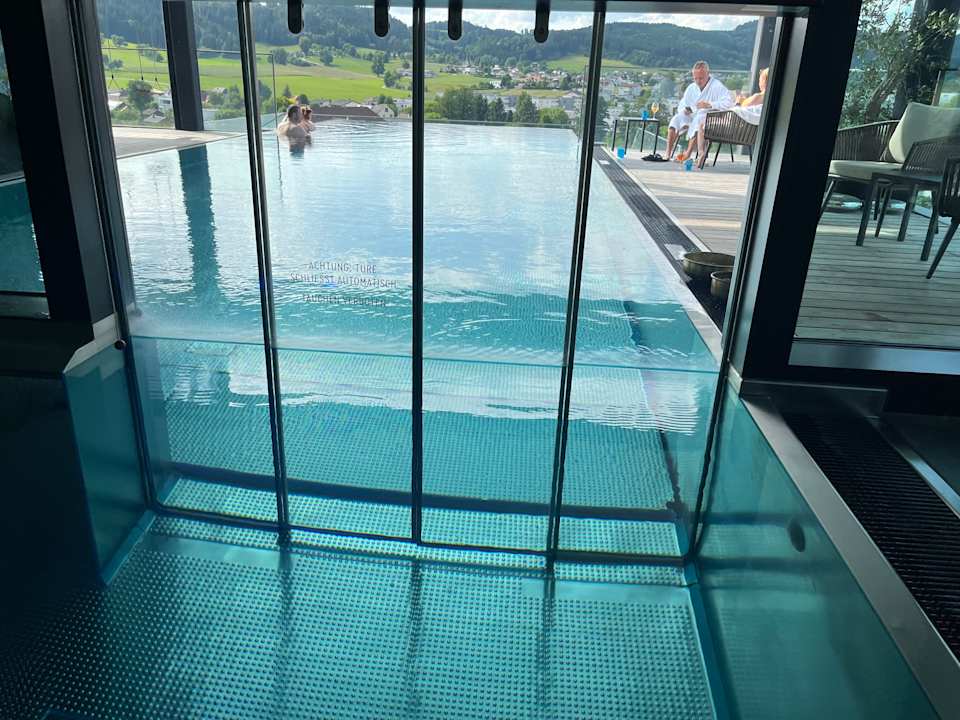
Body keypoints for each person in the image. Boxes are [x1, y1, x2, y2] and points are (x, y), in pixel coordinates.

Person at [666, 61, 734, 162]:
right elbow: (683, 104)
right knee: (676, 119)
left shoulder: (717, 86)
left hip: (709, 120)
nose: (698, 81)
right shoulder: (691, 88)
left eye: (701, 78)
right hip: (692, 116)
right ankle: (668, 154)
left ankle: (688, 153)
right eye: (695, 78)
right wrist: (685, 110)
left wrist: (710, 104)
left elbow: (729, 102)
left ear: (708, 74)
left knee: (699, 118)